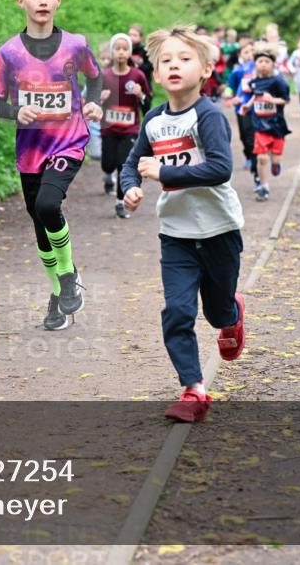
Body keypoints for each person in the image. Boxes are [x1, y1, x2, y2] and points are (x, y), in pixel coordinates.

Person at [120, 26, 246, 424]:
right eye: (166, 60)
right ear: (156, 74)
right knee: (177, 310)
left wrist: (165, 174)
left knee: (217, 310)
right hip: (175, 235)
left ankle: (232, 316)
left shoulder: (208, 115)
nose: (174, 65)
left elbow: (221, 169)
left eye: (185, 58)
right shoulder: (154, 120)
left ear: (206, 69)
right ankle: (193, 389)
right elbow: (132, 162)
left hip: (218, 231)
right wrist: (131, 187)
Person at [0, 0, 103, 331]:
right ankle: (58, 295)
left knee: (49, 204)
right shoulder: (9, 53)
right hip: (30, 151)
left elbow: (95, 80)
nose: (42, 0)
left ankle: (68, 278)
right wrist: (16, 112)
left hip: (69, 141)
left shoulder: (76, 45)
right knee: (39, 225)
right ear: (21, 1)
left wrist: (95, 102)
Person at [99, 33, 152, 218]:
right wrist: (100, 98)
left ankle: (121, 202)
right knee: (107, 163)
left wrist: (141, 96)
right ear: (112, 51)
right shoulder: (104, 75)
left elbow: (148, 102)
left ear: (130, 52)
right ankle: (107, 175)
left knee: (124, 164)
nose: (121, 52)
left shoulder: (137, 75)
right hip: (108, 128)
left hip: (129, 129)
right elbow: (91, 104)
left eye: (124, 48)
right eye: (117, 48)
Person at [239, 42, 291, 202]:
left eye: (266, 62)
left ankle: (276, 165)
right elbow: (256, 95)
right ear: (256, 64)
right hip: (260, 126)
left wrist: (273, 100)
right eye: (260, 62)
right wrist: (247, 105)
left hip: (276, 126)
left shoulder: (278, 82)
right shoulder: (254, 82)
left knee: (274, 159)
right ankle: (263, 187)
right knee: (262, 158)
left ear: (273, 64)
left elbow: (286, 100)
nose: (263, 65)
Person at [224, 42, 259, 189]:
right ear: (240, 55)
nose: (249, 54)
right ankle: (249, 156)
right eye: (246, 52)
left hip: (256, 108)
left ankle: (256, 164)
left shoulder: (259, 68)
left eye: (252, 51)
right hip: (241, 108)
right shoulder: (237, 71)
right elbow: (230, 87)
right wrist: (230, 98)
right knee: (244, 136)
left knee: (252, 136)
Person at [128, 24, 154, 94]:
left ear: (140, 37)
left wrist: (139, 66)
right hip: (129, 82)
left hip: (144, 82)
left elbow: (150, 67)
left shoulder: (145, 51)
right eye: (130, 35)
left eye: (134, 35)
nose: (131, 37)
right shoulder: (126, 49)